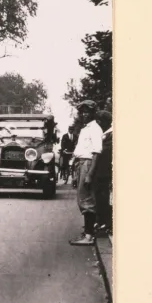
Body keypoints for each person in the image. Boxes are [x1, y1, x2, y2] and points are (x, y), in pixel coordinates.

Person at [69, 100, 103, 246]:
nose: (84, 114)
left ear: (93, 113)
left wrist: (89, 174)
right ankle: (88, 232)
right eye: (82, 111)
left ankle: (89, 236)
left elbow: (96, 153)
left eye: (87, 111)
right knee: (82, 199)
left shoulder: (95, 129)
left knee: (86, 201)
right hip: (81, 163)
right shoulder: (86, 128)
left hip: (87, 164)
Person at [93, 110, 113, 236]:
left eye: (99, 122)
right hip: (101, 172)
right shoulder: (106, 134)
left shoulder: (109, 135)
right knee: (100, 197)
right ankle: (101, 222)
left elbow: (105, 152)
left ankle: (105, 223)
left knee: (104, 198)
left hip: (104, 172)